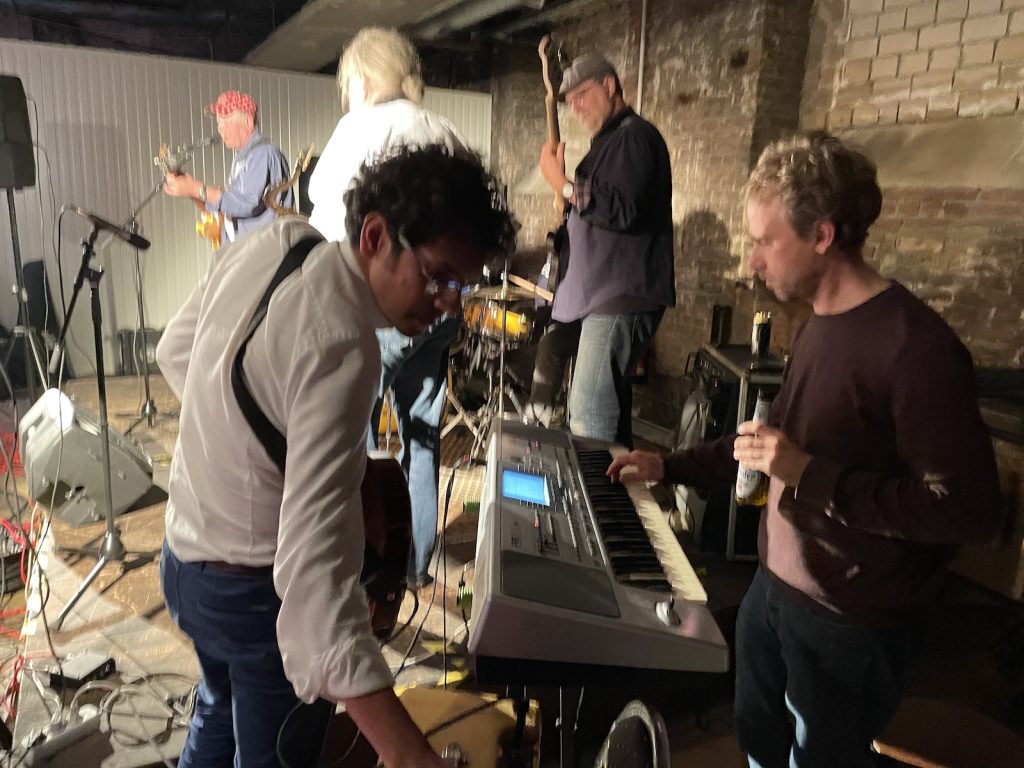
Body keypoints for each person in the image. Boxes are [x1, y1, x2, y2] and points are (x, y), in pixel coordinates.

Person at [607, 132, 1002, 768]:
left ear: (821, 235)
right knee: (760, 743)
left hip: (850, 623)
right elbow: (772, 449)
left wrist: (810, 474)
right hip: (773, 592)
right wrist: (668, 465)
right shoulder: (818, 324)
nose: (752, 261)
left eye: (766, 241)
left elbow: (968, 511)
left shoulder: (916, 349)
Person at [155, 144, 516, 768]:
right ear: (375, 236)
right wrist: (410, 756)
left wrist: (236, 459)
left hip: (182, 562)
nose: (450, 303)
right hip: (249, 594)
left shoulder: (277, 241)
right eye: (438, 277)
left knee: (216, 709)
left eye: (463, 284)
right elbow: (314, 590)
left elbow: (176, 352)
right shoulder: (345, 347)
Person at [308, 27, 468, 589]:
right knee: (422, 443)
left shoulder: (358, 129)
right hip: (440, 311)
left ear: (360, 80)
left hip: (381, 314)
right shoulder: (445, 130)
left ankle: (368, 579)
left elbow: (326, 233)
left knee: (358, 447)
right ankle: (415, 568)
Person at [538, 52, 674, 446]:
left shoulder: (634, 136)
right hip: (604, 296)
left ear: (609, 86)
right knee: (604, 412)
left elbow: (622, 208)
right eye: (569, 101)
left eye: (581, 95)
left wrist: (562, 183)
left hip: (621, 296)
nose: (576, 107)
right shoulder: (611, 143)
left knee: (589, 415)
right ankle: (614, 485)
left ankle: (592, 485)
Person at [163, 89, 291, 246]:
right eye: (218, 122)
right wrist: (188, 187)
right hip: (246, 248)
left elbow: (246, 204)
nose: (220, 129)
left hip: (262, 250)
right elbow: (226, 205)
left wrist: (197, 189)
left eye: (226, 121)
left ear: (248, 121)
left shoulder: (262, 153)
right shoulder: (243, 157)